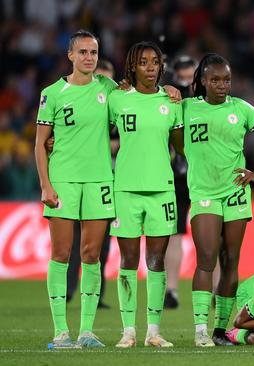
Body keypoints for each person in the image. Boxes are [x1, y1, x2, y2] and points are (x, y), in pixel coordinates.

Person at [183, 53, 254, 347]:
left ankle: (220, 331)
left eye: (226, 79)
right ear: (202, 81)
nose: (222, 85)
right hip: (204, 193)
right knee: (208, 257)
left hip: (236, 192)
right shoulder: (186, 108)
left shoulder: (242, 108)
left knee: (231, 261)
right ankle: (200, 329)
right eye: (215, 79)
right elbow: (169, 134)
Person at [35, 30, 117, 348]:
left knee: (92, 254)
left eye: (93, 52)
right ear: (70, 55)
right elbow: (40, 144)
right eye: (82, 52)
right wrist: (46, 184)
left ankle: (86, 331)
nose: (88, 57)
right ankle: (60, 332)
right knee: (60, 254)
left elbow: (142, 96)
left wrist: (169, 90)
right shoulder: (52, 94)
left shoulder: (109, 89)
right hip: (64, 180)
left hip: (99, 180)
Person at [109, 41, 184, 348]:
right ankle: (129, 331)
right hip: (125, 189)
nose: (150, 67)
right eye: (144, 62)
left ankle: (153, 331)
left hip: (162, 191)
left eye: (155, 62)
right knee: (127, 260)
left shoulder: (172, 101)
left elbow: (181, 147)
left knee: (156, 261)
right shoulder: (116, 99)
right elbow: (94, 133)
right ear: (132, 66)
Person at [65, 59, 116, 310]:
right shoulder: (81, 106)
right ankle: (67, 290)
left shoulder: (116, 110)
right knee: (75, 241)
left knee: (102, 245)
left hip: (109, 182)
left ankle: (97, 294)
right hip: (79, 178)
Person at [164, 55, 197, 309]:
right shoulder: (171, 98)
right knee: (175, 233)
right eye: (182, 74)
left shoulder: (170, 96)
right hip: (178, 177)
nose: (186, 79)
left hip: (200, 175)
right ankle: (171, 290)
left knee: (213, 236)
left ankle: (217, 291)